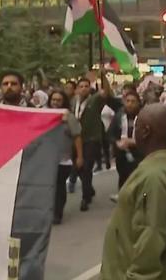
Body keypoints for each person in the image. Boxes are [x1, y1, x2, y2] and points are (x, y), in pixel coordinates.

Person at [101, 103, 166, 279]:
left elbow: (152, 233)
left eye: (137, 126)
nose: (133, 131)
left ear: (145, 131)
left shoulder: (154, 176)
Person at [71, 72, 113, 211]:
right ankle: (89, 189)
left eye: (86, 86)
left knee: (87, 167)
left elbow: (106, 92)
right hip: (76, 139)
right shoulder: (73, 102)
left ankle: (85, 198)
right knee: (77, 168)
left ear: (90, 88)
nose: (83, 88)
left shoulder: (94, 100)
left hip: (91, 139)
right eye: (81, 86)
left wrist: (103, 76)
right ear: (77, 89)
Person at [48, 90, 83, 224]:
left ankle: (58, 214)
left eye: (59, 100)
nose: (55, 103)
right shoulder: (45, 115)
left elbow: (77, 137)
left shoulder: (70, 117)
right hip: (48, 159)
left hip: (63, 159)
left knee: (59, 186)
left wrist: (80, 157)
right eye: (53, 100)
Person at [108, 90, 143, 201]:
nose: (130, 104)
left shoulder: (144, 116)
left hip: (139, 153)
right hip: (122, 152)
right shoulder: (119, 115)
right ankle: (122, 197)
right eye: (127, 101)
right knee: (123, 176)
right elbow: (110, 134)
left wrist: (134, 141)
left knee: (138, 177)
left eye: (133, 101)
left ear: (138, 103)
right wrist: (117, 142)